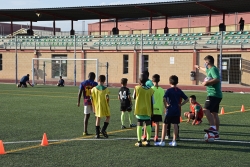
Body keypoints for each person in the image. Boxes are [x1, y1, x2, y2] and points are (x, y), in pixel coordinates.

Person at [155, 75, 188, 147]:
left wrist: (166, 105)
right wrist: (180, 104)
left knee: (165, 124)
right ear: (177, 82)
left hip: (169, 110)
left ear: (169, 82)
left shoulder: (169, 90)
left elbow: (164, 99)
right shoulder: (179, 90)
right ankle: (174, 141)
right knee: (175, 124)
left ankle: (162, 141)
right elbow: (187, 99)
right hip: (176, 110)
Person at [195, 55, 222, 139]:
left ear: (208, 62)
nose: (204, 64)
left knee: (206, 110)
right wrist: (198, 67)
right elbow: (204, 69)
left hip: (213, 94)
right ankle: (216, 133)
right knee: (214, 114)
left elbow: (217, 79)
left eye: (205, 62)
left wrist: (207, 83)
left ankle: (213, 128)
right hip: (217, 95)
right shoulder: (209, 69)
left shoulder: (213, 69)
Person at [133, 73, 154, 147]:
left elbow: (134, 97)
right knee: (148, 124)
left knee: (139, 123)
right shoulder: (151, 90)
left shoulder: (137, 88)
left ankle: (139, 141)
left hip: (139, 109)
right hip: (147, 109)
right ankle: (148, 141)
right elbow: (152, 101)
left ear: (139, 80)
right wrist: (152, 111)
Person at [151, 74, 165, 142]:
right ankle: (156, 136)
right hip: (158, 109)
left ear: (152, 80)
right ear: (159, 80)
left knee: (147, 122)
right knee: (157, 123)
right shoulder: (162, 90)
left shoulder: (150, 89)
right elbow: (164, 99)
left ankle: (145, 135)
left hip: (150, 109)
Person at [141, 70, 154, 141]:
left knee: (147, 116)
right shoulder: (145, 82)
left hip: (147, 100)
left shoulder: (148, 82)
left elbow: (152, 90)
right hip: (144, 101)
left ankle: (149, 128)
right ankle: (145, 128)